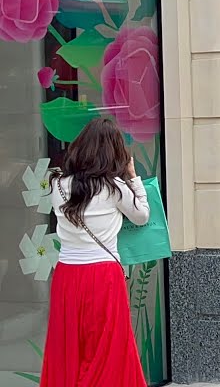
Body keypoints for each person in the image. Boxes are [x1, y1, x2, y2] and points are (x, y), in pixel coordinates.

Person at [42, 118, 150, 386]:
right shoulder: (114, 187)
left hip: (67, 275)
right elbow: (142, 217)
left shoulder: (57, 185)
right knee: (107, 349)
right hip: (103, 275)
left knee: (67, 346)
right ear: (113, 152)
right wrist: (134, 178)